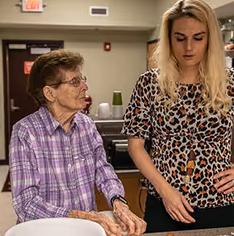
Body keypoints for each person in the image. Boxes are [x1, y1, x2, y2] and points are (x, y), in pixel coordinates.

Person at [121, 0, 234, 233]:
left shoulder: (232, 82)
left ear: (210, 39)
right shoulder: (149, 83)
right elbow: (135, 145)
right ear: (169, 40)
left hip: (218, 204)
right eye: (180, 38)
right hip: (163, 202)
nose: (188, 47)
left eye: (198, 38)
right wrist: (165, 190)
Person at [9, 49, 146, 236]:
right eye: (75, 82)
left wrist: (118, 201)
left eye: (83, 79)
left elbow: (103, 170)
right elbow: (26, 204)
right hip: (48, 231)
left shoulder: (86, 124)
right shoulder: (25, 132)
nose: (84, 87)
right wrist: (80, 216)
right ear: (50, 93)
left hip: (87, 230)